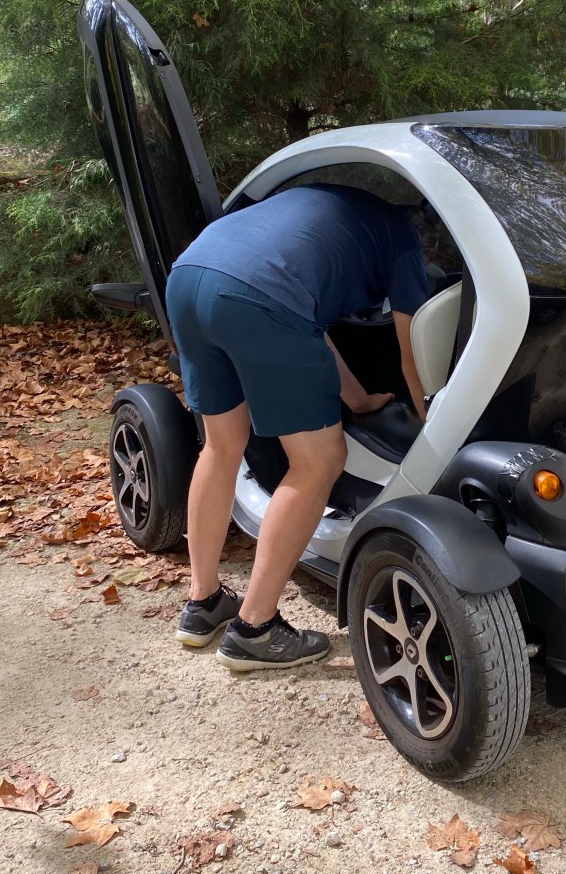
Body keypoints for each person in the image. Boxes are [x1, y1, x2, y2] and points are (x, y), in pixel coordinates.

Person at [164, 183, 430, 671]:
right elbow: (414, 353)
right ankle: (255, 630)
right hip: (258, 297)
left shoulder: (328, 208)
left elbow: (306, 319)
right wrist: (433, 426)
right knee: (319, 460)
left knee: (221, 446)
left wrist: (359, 400)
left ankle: (203, 603)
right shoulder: (401, 237)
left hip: (188, 277)